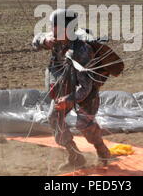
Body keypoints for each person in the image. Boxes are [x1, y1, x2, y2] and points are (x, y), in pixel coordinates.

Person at [32, 9, 112, 170]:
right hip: (65, 87)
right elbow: (35, 40)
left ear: (66, 29)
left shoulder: (81, 51)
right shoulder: (57, 38)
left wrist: (68, 100)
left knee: (84, 125)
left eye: (54, 27)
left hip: (86, 94)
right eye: (52, 27)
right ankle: (75, 156)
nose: (52, 30)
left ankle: (101, 149)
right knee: (55, 118)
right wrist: (43, 40)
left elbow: (86, 87)